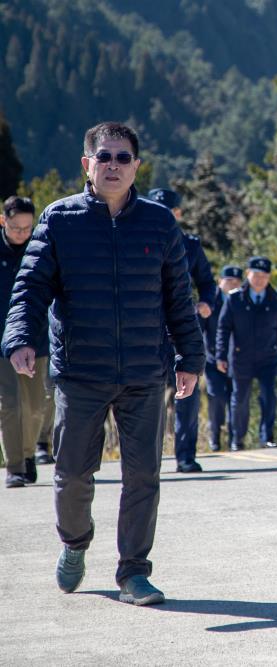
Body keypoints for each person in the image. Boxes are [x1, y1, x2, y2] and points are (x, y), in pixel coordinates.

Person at [1, 121, 204, 605]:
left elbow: (179, 296)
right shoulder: (60, 219)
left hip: (144, 372)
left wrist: (189, 357)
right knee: (72, 473)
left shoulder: (159, 222)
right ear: (86, 164)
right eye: (104, 156)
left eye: (123, 157)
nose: (114, 165)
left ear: (137, 166)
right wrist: (20, 338)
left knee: (143, 476)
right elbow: (30, 288)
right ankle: (75, 542)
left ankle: (134, 571)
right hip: (81, 372)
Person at [148, 188, 217, 473]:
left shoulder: (191, 245)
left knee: (187, 395)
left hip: (182, 328)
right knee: (147, 396)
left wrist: (206, 303)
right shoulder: (135, 240)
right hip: (147, 329)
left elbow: (208, 283)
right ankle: (147, 458)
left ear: (178, 214)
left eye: (169, 212)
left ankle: (185, 456)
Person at [216, 256, 277, 450]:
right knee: (240, 399)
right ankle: (237, 439)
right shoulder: (235, 299)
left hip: (268, 357)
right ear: (248, 274)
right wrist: (221, 355)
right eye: (256, 275)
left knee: (269, 397)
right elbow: (223, 329)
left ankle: (267, 437)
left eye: (264, 276)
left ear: (269, 277)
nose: (259, 280)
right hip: (241, 357)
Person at [1, 196, 49, 488]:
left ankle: (29, 453)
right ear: (3, 221)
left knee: (35, 407)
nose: (21, 233)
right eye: (16, 227)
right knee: (9, 405)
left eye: (27, 228)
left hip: (35, 339)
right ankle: (15, 467)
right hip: (1, 343)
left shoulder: (39, 250)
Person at [202, 265, 242, 451]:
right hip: (212, 359)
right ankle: (215, 437)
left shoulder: (241, 300)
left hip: (236, 359)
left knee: (237, 400)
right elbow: (201, 328)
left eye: (237, 281)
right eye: (229, 280)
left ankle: (235, 439)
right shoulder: (211, 301)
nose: (233, 284)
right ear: (220, 281)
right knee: (216, 397)